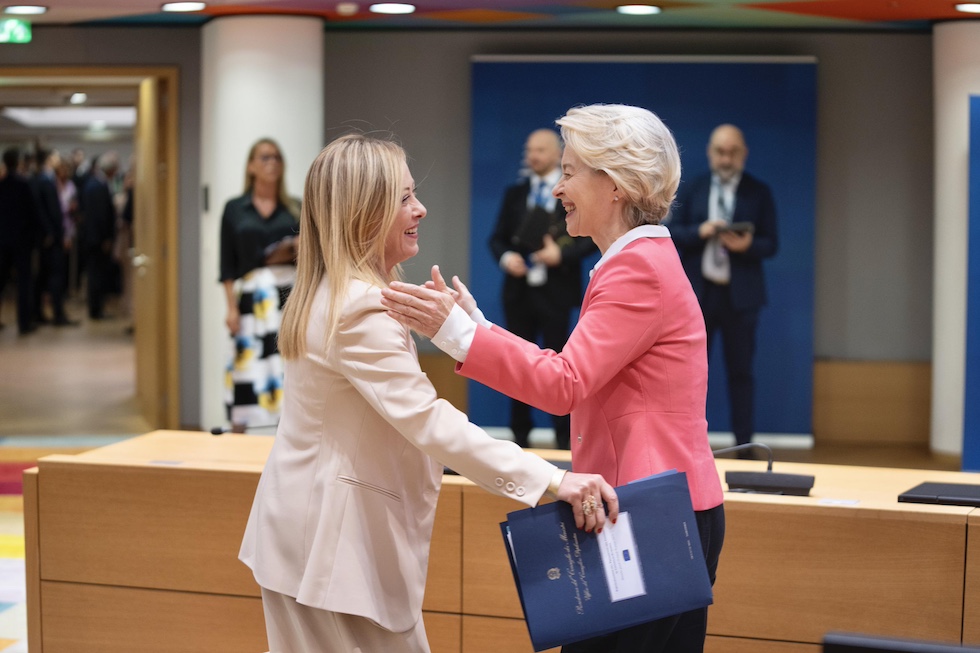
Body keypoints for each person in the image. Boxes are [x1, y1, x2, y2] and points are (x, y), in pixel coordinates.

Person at [238, 133, 618, 653]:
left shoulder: (341, 293)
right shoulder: (362, 309)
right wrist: (554, 479)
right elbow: (429, 420)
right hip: (330, 554)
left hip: (308, 543)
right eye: (403, 198)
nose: (420, 208)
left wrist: (470, 327)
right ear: (362, 212)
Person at [382, 104, 725, 652]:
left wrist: (458, 336)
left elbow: (564, 385)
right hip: (657, 509)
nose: (557, 189)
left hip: (647, 516)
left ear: (613, 185)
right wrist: (480, 328)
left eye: (569, 172)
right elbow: (577, 370)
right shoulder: (637, 260)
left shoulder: (635, 268)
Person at [668, 124, 778, 452]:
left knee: (741, 373)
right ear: (709, 152)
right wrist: (700, 232)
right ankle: (687, 447)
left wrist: (746, 246)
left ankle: (744, 446)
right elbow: (670, 232)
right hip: (698, 295)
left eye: (732, 152)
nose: (726, 158)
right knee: (689, 376)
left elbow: (772, 243)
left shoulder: (759, 191)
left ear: (743, 154)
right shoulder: (693, 188)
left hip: (741, 296)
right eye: (720, 151)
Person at [489, 129, 597, 449]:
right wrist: (507, 258)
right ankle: (518, 439)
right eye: (529, 149)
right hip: (519, 292)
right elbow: (496, 238)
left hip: (556, 294)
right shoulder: (515, 193)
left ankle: (565, 441)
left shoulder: (572, 192)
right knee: (517, 364)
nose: (533, 155)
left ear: (556, 153)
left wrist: (559, 254)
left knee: (562, 365)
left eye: (539, 149)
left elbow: (590, 238)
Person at [219, 138, 299, 432]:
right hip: (252, 298)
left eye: (277, 157)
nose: (272, 162)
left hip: (288, 294)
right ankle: (238, 437)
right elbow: (226, 264)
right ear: (251, 166)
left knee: (287, 364)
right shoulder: (235, 209)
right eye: (264, 157)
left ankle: (288, 436)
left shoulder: (294, 208)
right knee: (246, 365)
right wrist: (230, 308)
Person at [0, 148, 39, 335]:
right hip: (21, 241)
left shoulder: (3, 184)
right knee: (24, 282)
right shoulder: (23, 184)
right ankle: (24, 323)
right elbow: (32, 214)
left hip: (3, 241)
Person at [80, 151, 119, 320]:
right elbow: (100, 215)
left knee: (96, 274)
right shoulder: (97, 185)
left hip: (94, 237)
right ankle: (96, 309)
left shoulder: (94, 183)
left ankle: (96, 308)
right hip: (97, 239)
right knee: (96, 275)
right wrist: (106, 238)